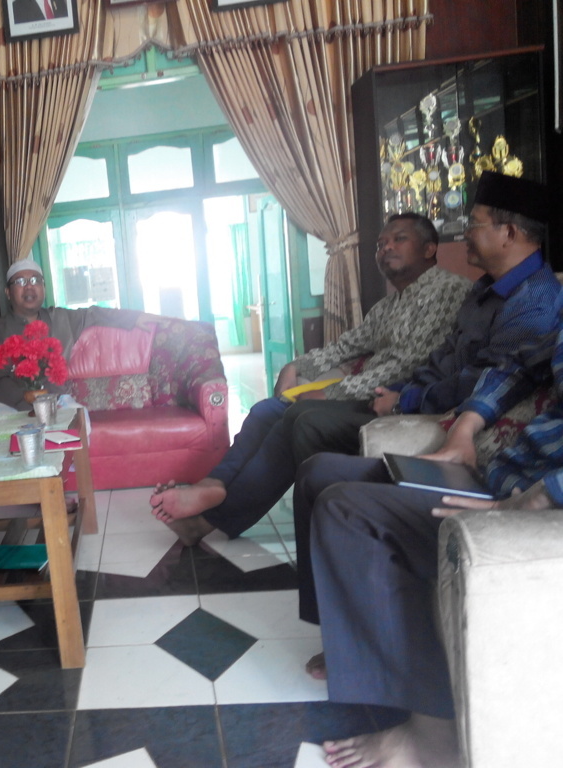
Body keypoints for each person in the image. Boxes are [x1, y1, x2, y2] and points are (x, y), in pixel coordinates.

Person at [296, 321, 562, 768]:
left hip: (534, 505)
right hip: (499, 478)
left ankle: (435, 739)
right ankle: (345, 638)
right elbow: (516, 367)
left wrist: (544, 495)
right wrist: (465, 428)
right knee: (318, 471)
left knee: (346, 510)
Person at [150, 212, 476, 545]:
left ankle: (207, 520)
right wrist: (295, 365)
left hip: (396, 398)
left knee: (298, 417)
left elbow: (410, 364)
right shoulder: (388, 306)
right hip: (364, 391)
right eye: (381, 244)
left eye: (399, 239)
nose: (386, 248)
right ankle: (215, 484)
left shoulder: (449, 291)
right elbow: (346, 346)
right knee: (265, 410)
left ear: (429, 248)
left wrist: (333, 393)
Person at [0, 258, 158, 414]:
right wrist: (31, 404)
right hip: (7, 404)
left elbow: (94, 314)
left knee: (79, 419)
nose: (29, 286)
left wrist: (134, 317)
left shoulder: (61, 318)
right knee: (5, 427)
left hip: (55, 399)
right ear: (8, 292)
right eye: (20, 281)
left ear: (44, 288)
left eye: (35, 280)